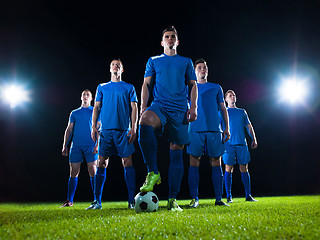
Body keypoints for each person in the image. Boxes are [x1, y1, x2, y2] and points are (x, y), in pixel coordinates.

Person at [138, 26, 198, 212]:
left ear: (177, 41)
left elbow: (193, 85)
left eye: (173, 37)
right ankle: (153, 172)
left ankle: (172, 199)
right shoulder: (154, 61)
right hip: (160, 106)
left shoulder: (186, 62)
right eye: (167, 37)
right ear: (162, 42)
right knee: (145, 121)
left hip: (180, 109)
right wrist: (143, 107)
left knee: (176, 151)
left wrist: (193, 107)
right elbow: (146, 84)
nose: (170, 39)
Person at [86, 59, 138, 210]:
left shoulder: (129, 87)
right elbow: (96, 107)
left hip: (124, 131)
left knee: (127, 162)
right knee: (101, 162)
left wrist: (134, 128)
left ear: (122, 69)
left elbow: (134, 108)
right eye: (113, 64)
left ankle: (131, 201)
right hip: (106, 131)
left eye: (118, 65)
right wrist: (93, 127)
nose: (116, 66)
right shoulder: (102, 87)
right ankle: (97, 201)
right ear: (110, 69)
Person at [187, 59, 230, 208]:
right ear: (195, 71)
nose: (202, 69)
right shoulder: (190, 87)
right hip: (195, 129)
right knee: (194, 161)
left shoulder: (216, 87)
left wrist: (227, 128)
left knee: (216, 162)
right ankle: (195, 198)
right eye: (199, 67)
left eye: (205, 67)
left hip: (214, 129)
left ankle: (218, 199)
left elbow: (223, 109)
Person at [61, 89, 99, 207]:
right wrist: (65, 145)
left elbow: (99, 129)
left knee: (93, 170)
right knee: (73, 171)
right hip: (76, 146)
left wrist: (98, 144)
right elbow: (69, 129)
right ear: (81, 97)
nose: (85, 96)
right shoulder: (74, 113)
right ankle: (69, 201)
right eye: (84, 95)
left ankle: (96, 200)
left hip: (91, 145)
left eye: (88, 95)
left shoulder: (95, 111)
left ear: (91, 98)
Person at [223, 90, 258, 202]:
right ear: (226, 99)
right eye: (230, 96)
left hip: (242, 144)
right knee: (228, 168)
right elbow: (219, 127)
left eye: (234, 95)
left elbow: (249, 126)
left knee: (244, 168)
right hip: (228, 145)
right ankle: (229, 197)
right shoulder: (223, 112)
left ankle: (248, 196)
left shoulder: (242, 112)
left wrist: (254, 138)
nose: (232, 97)